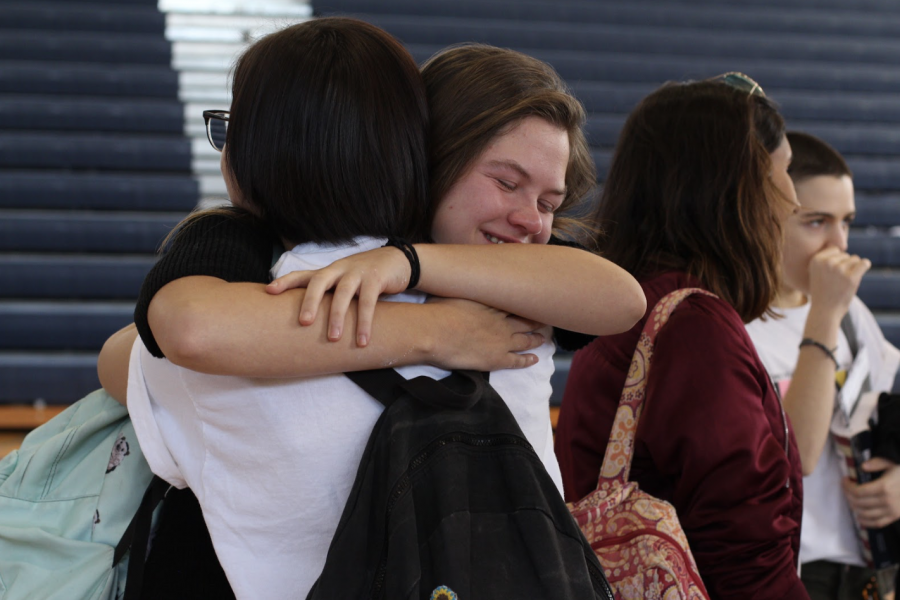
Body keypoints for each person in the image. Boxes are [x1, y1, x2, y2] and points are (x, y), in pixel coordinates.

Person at [97, 29, 645, 599]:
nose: (532, 222)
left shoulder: (510, 288)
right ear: (425, 157)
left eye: (550, 204)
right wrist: (433, 332)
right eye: (506, 182)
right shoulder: (508, 311)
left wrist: (407, 264)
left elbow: (140, 353)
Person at [554, 74, 811, 599]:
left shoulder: (632, 306)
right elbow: (746, 557)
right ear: (733, 187)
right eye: (783, 173)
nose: (793, 201)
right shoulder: (692, 331)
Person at [745, 130, 900, 600]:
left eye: (847, 222)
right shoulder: (734, 325)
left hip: (864, 569)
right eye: (815, 222)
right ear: (765, 217)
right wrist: (825, 314)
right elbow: (796, 457)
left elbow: (886, 411)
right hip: (788, 569)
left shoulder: (850, 313)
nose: (838, 243)